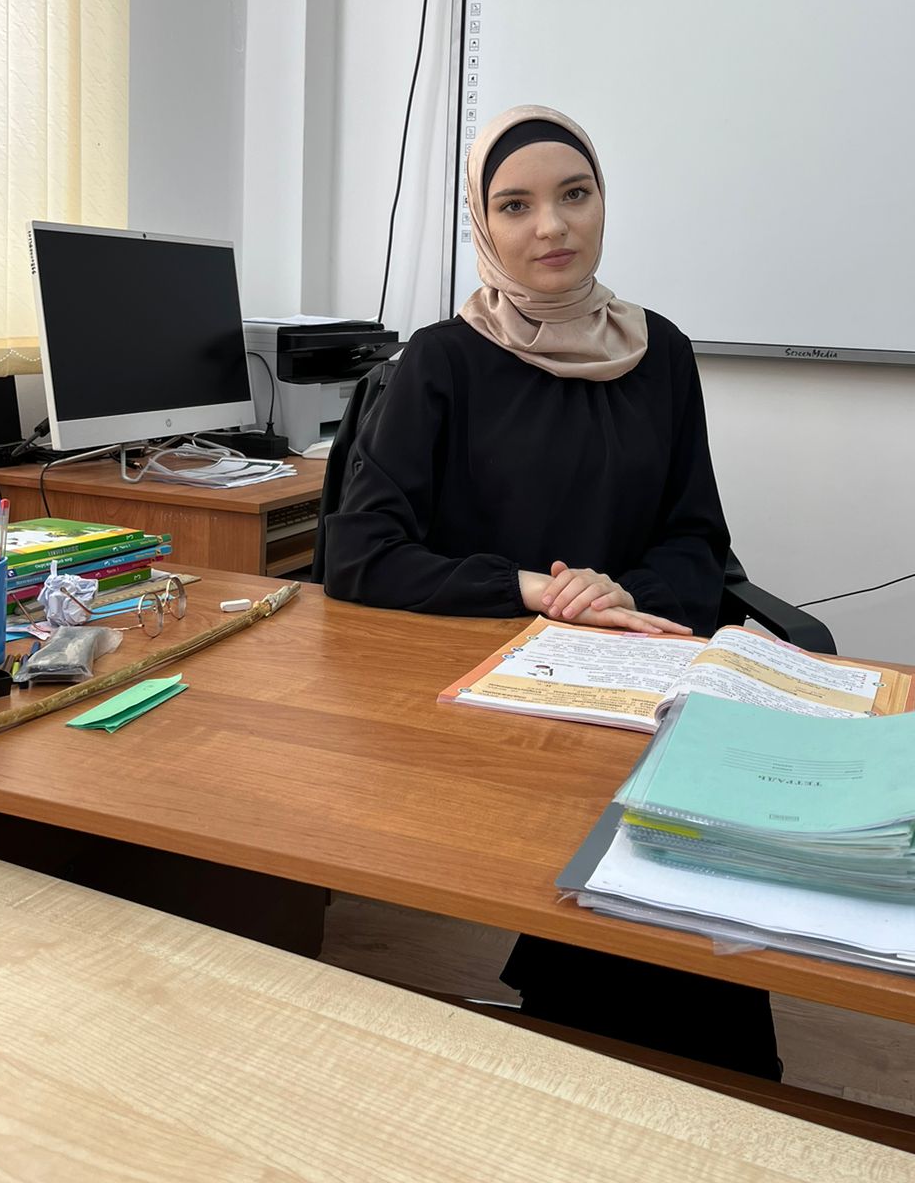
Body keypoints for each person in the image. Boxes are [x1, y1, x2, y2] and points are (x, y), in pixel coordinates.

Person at [324, 103, 780, 1080]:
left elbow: (697, 537)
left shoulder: (662, 352)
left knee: (687, 876)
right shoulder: (442, 361)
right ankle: (594, 1070)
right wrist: (531, 587)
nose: (552, 226)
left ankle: (695, 1091)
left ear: (603, 201)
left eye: (575, 195)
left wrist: (615, 595)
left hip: (633, 661)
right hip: (491, 685)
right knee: (613, 858)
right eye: (517, 204)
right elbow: (360, 553)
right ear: (483, 224)